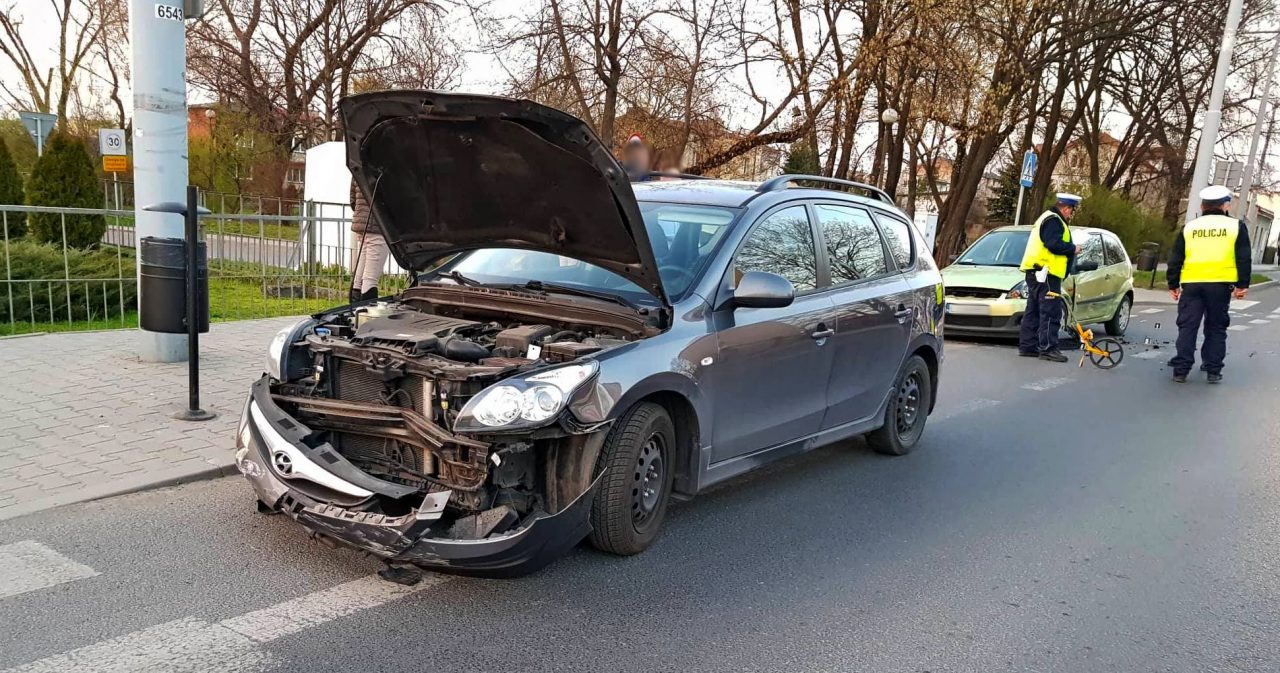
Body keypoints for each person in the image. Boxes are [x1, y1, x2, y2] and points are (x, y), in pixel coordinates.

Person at [1166, 184, 1252, 384]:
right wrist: (1242, 285)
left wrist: (1173, 284)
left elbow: (1176, 257)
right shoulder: (1235, 227)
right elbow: (1243, 257)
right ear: (1225, 206)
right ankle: (1213, 370)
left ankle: (1181, 370)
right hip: (1220, 286)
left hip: (1192, 285)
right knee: (1216, 327)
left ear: (1203, 206)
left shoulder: (1190, 227)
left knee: (1187, 327)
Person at [1018, 193, 1083, 362]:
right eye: (1071, 211)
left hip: (1037, 273)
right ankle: (1048, 349)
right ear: (1066, 208)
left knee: (1033, 310)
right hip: (1046, 273)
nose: (1071, 215)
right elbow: (1053, 244)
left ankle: (1028, 346)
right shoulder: (1054, 220)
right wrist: (1072, 248)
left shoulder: (1046, 218)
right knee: (1050, 311)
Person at [349, 178, 389, 304]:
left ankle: (353, 312)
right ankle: (366, 316)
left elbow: (352, 199)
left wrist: (362, 215)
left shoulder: (359, 162)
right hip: (378, 226)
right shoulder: (383, 167)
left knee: (359, 277)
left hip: (362, 224)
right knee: (370, 278)